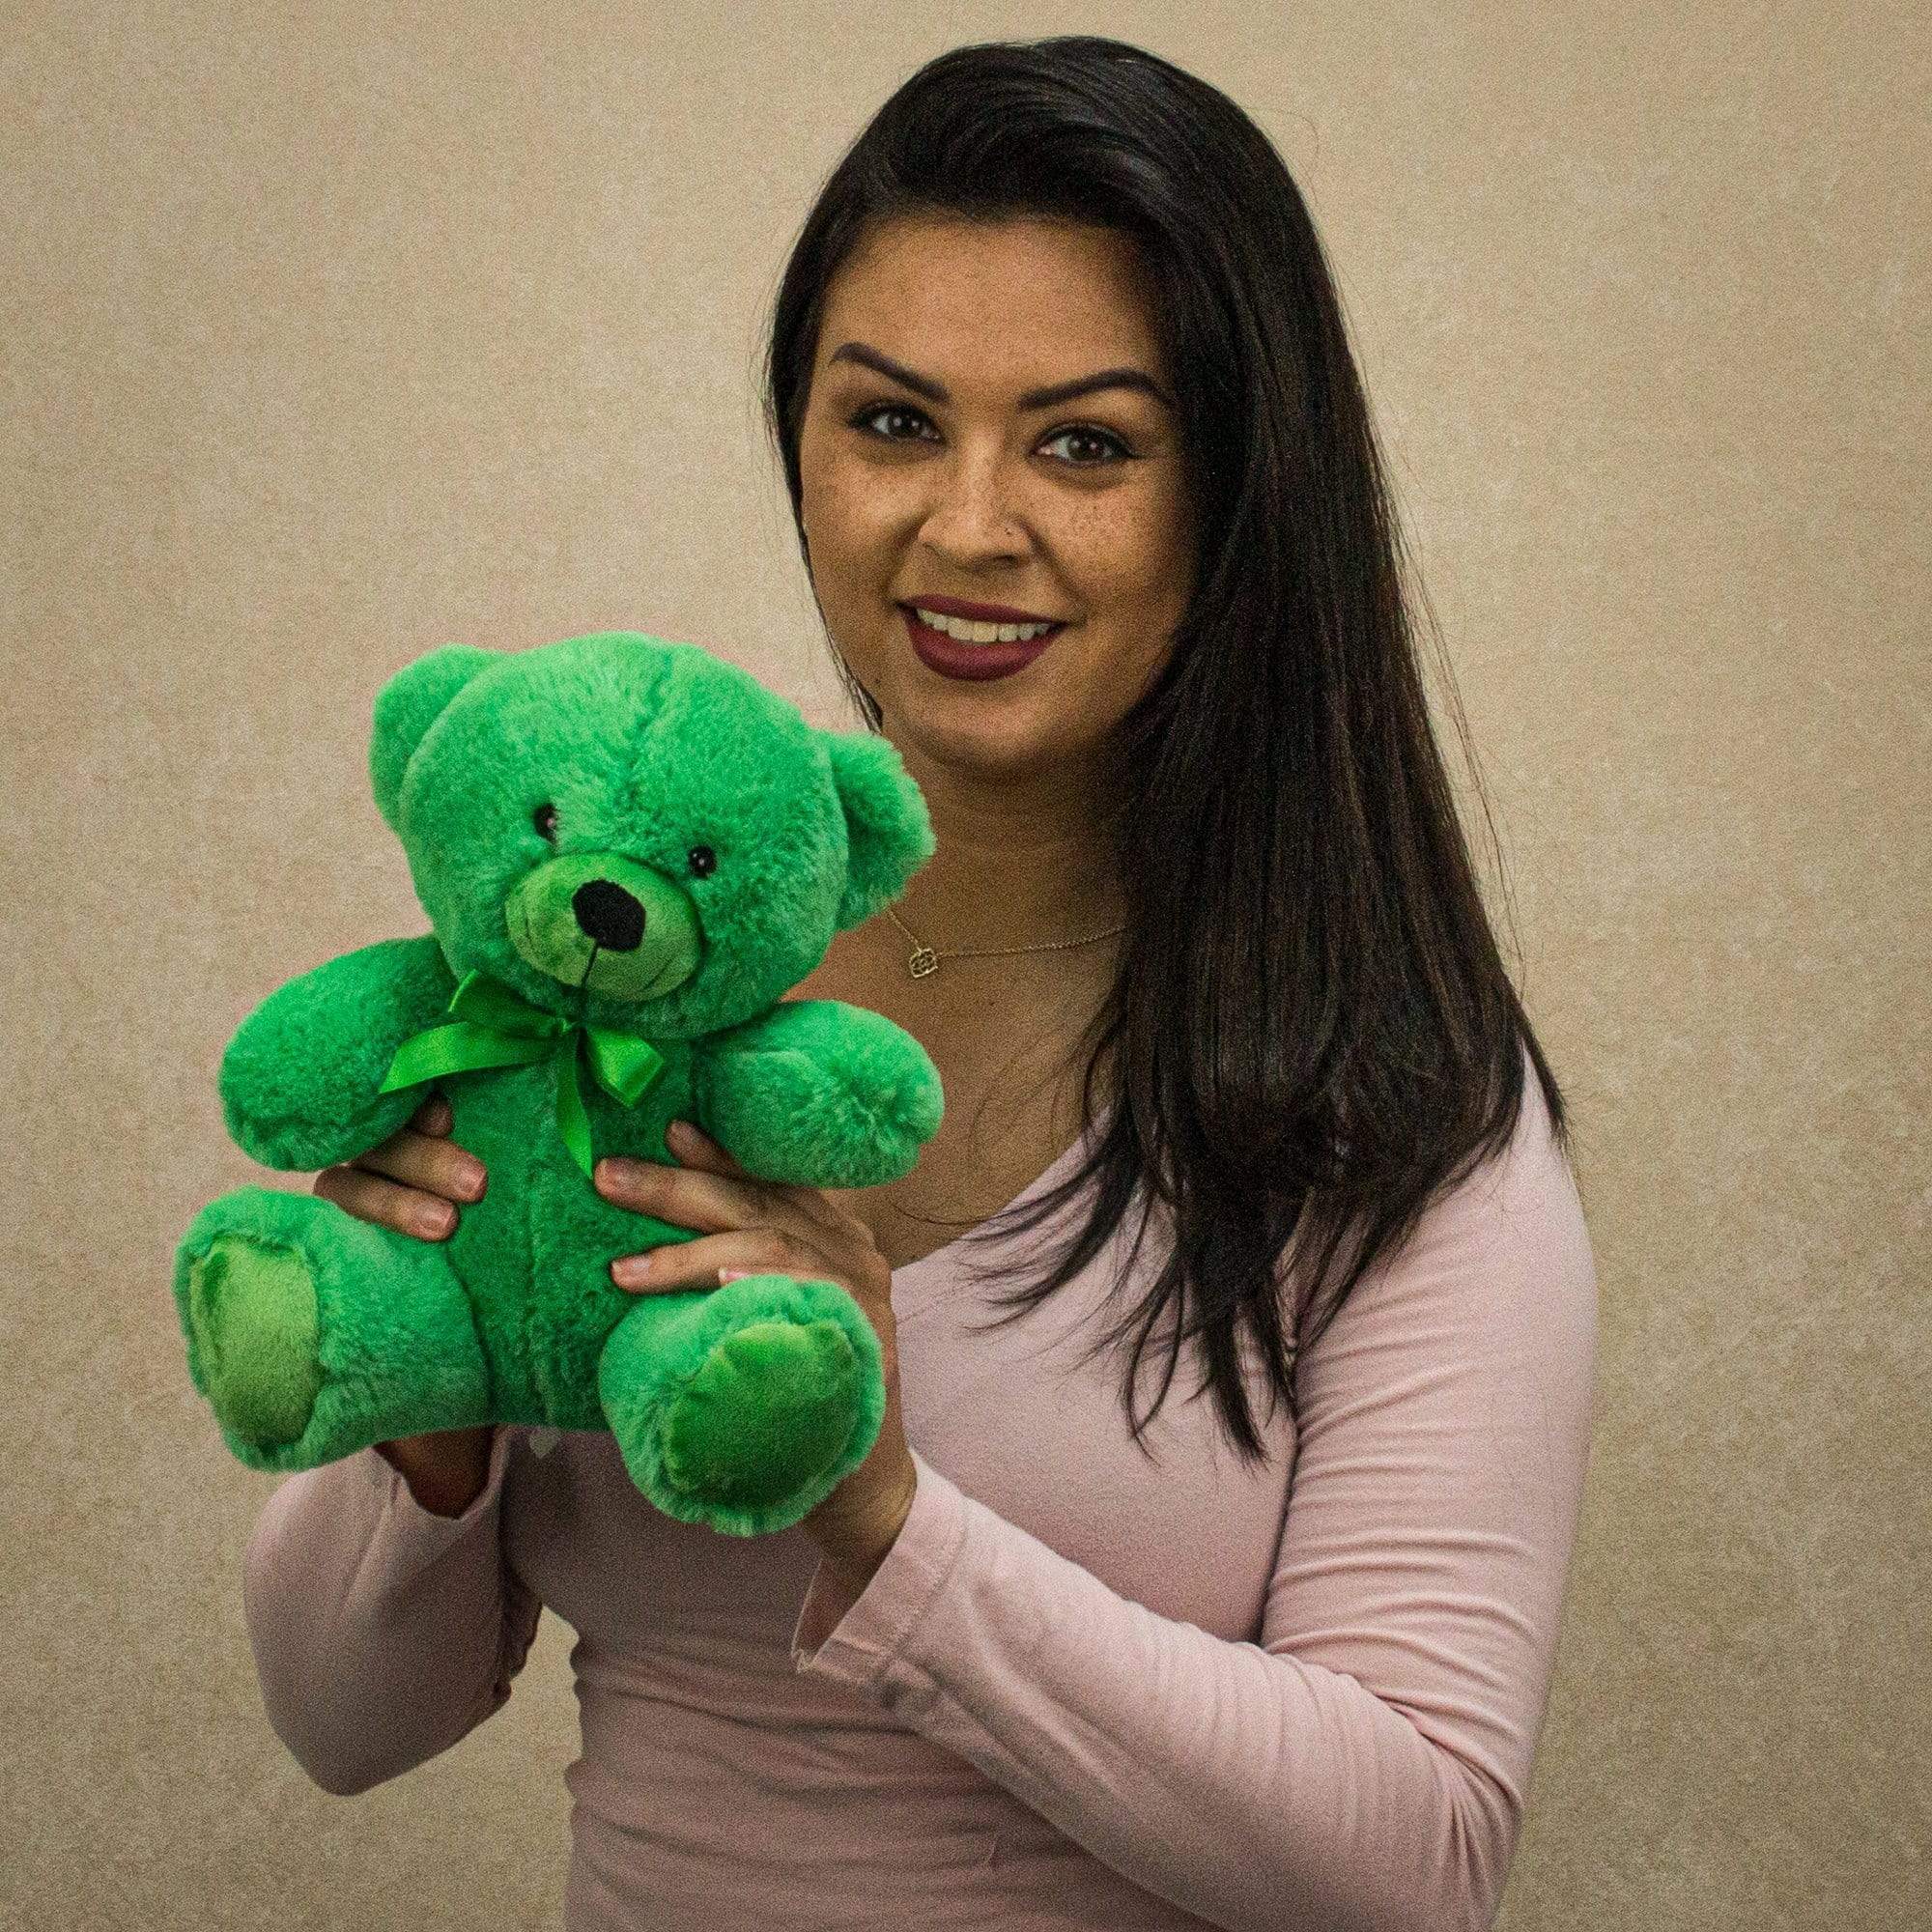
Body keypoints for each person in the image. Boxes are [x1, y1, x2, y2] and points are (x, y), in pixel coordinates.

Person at [240, 34, 1598, 1932]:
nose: (966, 528)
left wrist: (885, 1511)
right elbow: (340, 1724)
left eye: (1084, 443)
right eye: (889, 421)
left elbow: (1417, 1867)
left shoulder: (1402, 1106)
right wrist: (425, 1415)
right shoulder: (615, 977)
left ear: (1237, 491)